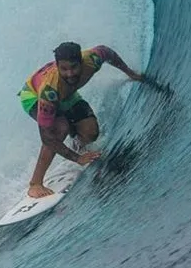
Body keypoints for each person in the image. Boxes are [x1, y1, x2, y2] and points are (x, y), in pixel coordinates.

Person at [18, 41, 145, 198]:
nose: (70, 73)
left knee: (91, 133)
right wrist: (77, 159)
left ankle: (76, 145)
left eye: (74, 67)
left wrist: (130, 73)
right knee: (60, 128)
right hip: (33, 95)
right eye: (64, 69)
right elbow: (47, 137)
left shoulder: (92, 59)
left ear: (81, 62)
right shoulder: (48, 92)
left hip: (66, 94)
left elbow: (107, 52)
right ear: (57, 66)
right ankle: (35, 183)